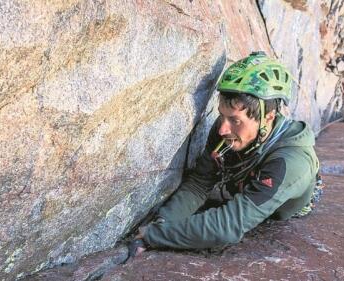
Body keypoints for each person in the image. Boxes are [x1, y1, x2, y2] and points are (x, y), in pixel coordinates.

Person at [128, 51, 320, 257]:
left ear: (269, 117)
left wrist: (155, 236)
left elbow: (228, 226)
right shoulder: (226, 131)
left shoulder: (292, 164)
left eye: (235, 120)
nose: (222, 130)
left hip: (282, 204)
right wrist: (164, 222)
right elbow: (199, 183)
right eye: (222, 116)